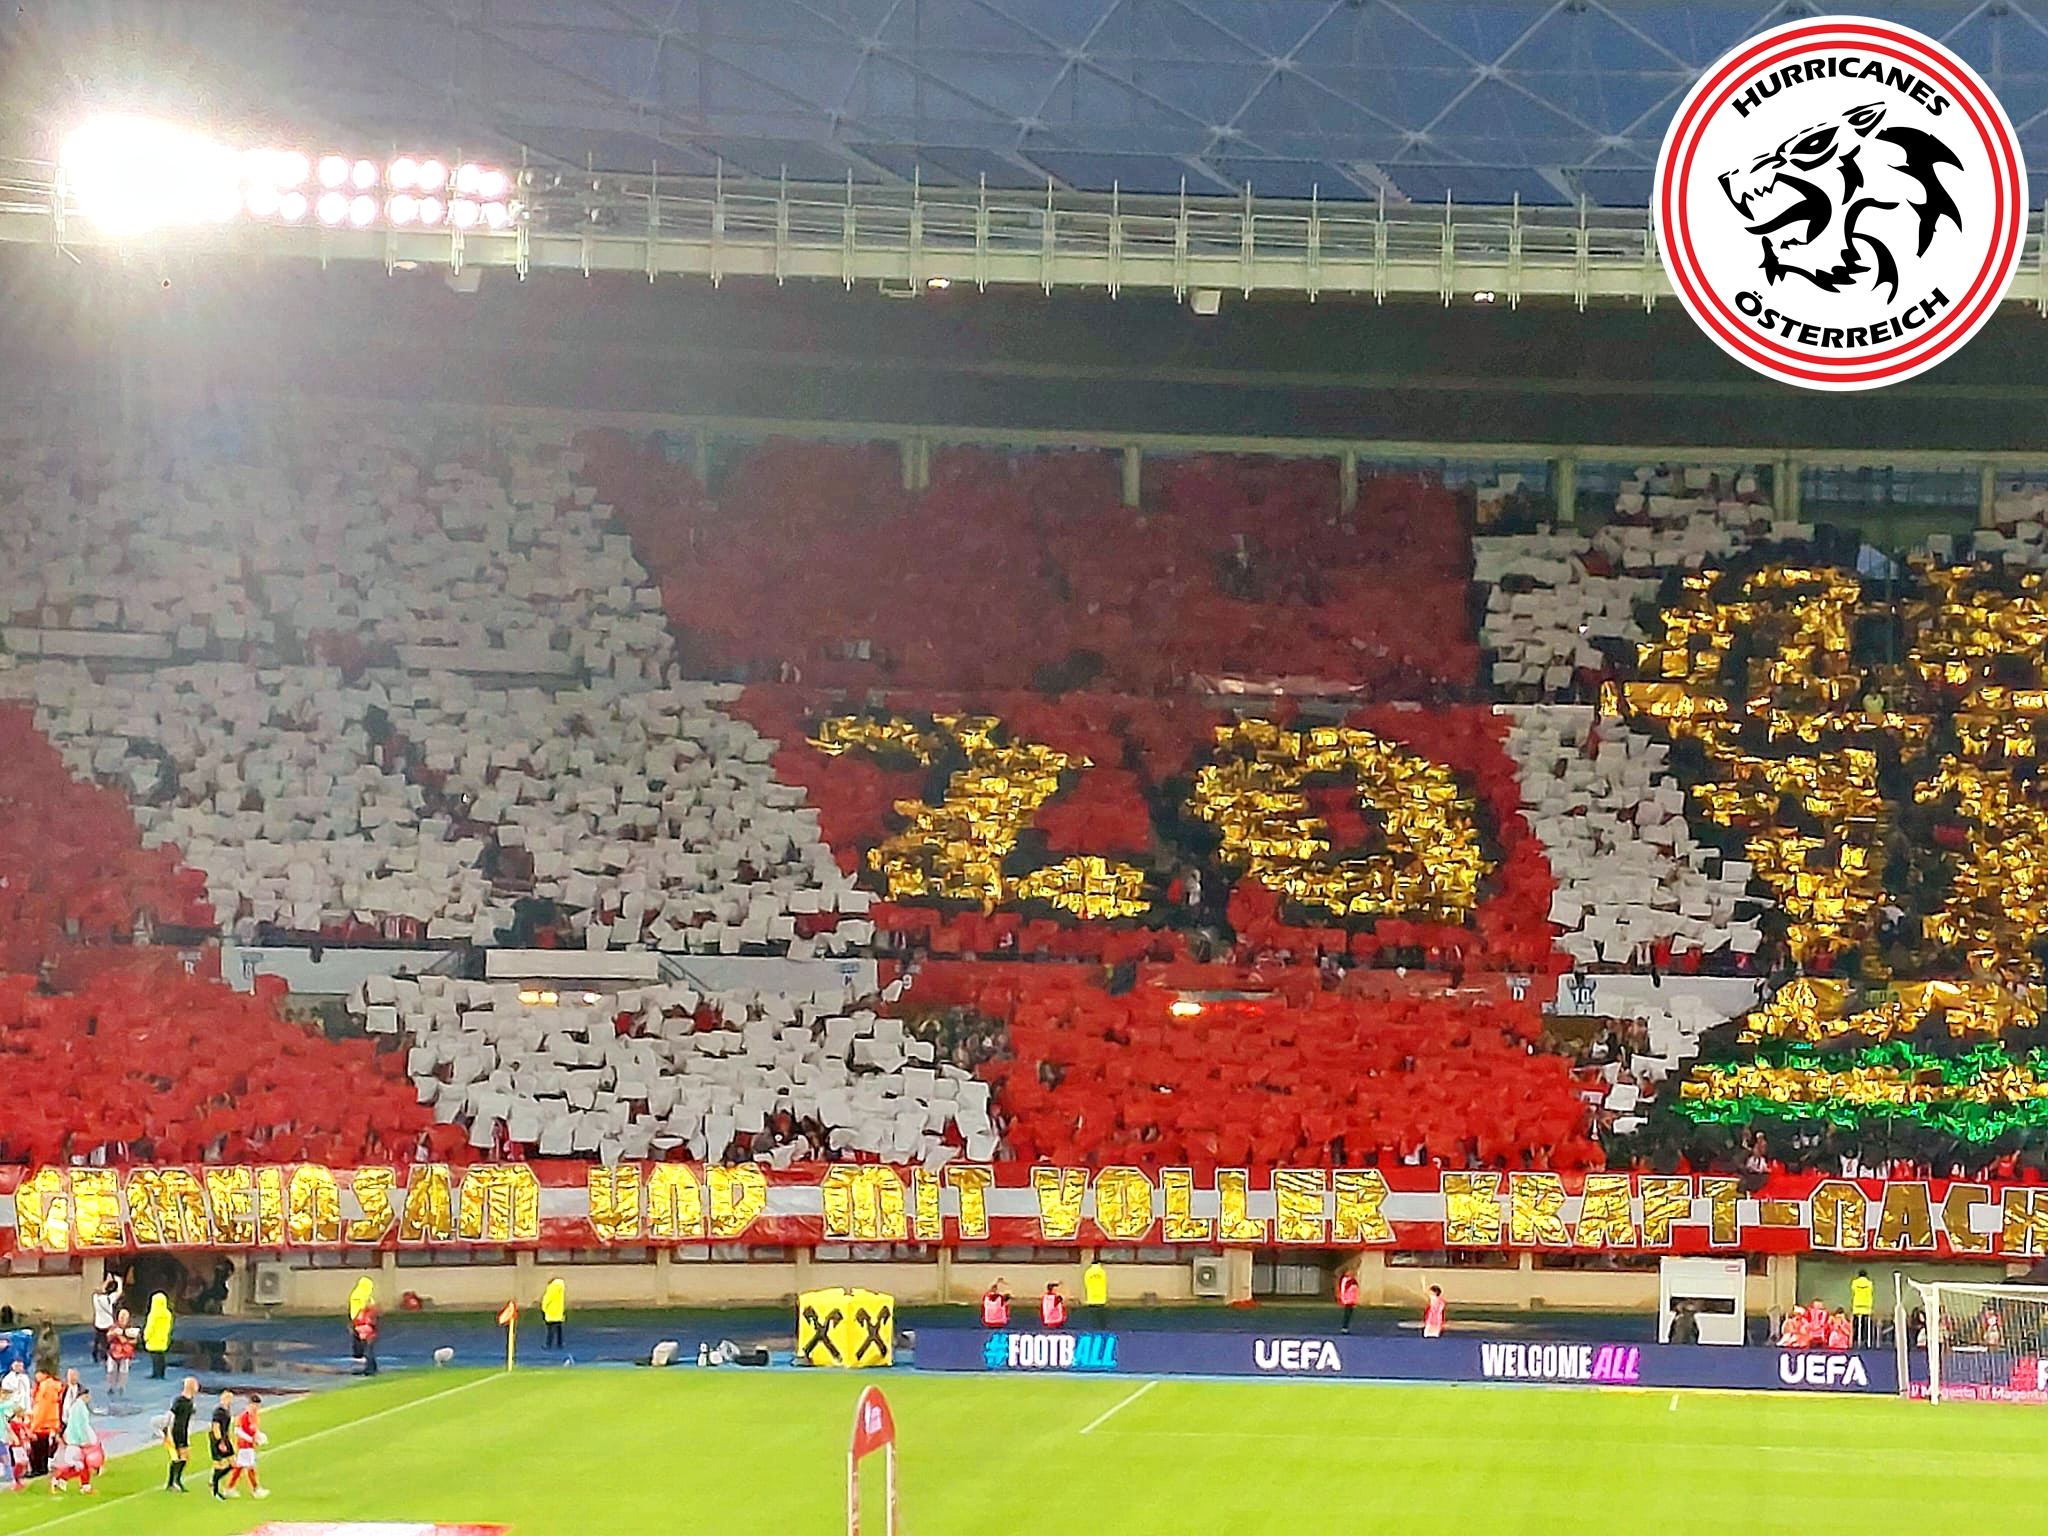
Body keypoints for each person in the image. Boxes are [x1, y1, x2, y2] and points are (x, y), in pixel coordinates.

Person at [48, 1385, 94, 1496]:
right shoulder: (81, 1408)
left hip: (72, 1439)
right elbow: (81, 1425)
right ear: (85, 1395)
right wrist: (84, 1440)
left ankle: (84, 1486)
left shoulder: (75, 1406)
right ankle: (60, 1479)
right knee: (80, 1465)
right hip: (75, 1441)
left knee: (82, 1464)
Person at [226, 1393, 268, 1501]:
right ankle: (256, 1490)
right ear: (251, 1404)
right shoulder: (244, 1416)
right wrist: (251, 1439)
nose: (257, 1408)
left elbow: (254, 1429)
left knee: (240, 1467)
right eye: (256, 1405)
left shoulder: (254, 1415)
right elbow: (237, 1430)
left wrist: (259, 1436)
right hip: (244, 1446)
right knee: (250, 1467)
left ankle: (230, 1488)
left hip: (249, 1445)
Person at [164, 1375, 197, 1493]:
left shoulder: (190, 1401)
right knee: (178, 1457)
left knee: (185, 1457)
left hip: (184, 1431)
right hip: (176, 1431)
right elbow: (170, 1416)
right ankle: (172, 1482)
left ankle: (175, 1481)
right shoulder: (179, 1400)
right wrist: (168, 1432)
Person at [27, 1369, 61, 1478]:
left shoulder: (45, 1388)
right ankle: (43, 1468)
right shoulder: (53, 1387)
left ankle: (38, 1469)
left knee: (37, 1449)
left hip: (42, 1424)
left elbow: (41, 1409)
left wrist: (33, 1427)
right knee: (44, 1447)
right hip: (49, 1422)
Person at [209, 1390, 236, 1500]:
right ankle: (215, 1490)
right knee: (219, 1464)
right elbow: (215, 1427)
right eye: (227, 1398)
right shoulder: (219, 1412)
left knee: (233, 1463)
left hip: (225, 1439)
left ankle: (213, 1480)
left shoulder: (227, 1410)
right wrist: (220, 1442)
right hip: (218, 1440)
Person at [104, 1310, 136, 1399]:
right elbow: (108, 1338)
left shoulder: (131, 1328)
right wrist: (113, 1334)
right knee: (111, 1371)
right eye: (121, 1317)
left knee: (123, 1371)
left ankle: (121, 1387)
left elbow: (134, 1340)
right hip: (113, 1353)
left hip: (126, 1354)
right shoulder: (113, 1327)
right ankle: (111, 1386)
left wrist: (124, 1338)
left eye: (124, 1318)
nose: (122, 1319)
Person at [89, 1277, 121, 1366]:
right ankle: (106, 1356)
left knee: (99, 1338)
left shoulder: (95, 1298)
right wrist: (119, 1282)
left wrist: (107, 1280)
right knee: (107, 1341)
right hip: (108, 1324)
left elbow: (100, 1289)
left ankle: (96, 1352)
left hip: (98, 1323)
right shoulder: (109, 1299)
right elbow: (119, 1292)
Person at [142, 1293, 174, 1380]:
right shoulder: (168, 1314)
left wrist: (146, 1336)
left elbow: (150, 1327)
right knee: (161, 1357)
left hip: (153, 1339)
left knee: (155, 1358)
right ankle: (161, 1373)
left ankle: (156, 1373)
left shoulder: (153, 1314)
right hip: (163, 1338)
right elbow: (169, 1326)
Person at [348, 1275, 375, 1363]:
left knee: (361, 1337)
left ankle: (360, 1354)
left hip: (360, 1318)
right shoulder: (359, 1295)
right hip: (360, 1318)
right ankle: (360, 1355)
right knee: (361, 1338)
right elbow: (365, 1306)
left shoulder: (359, 1295)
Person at [354, 1298, 380, 1377]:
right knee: (367, 1352)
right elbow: (357, 1321)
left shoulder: (372, 1312)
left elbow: (373, 1323)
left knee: (368, 1352)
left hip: (368, 1334)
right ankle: (372, 1368)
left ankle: (370, 1369)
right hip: (362, 1334)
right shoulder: (362, 1312)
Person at [1851, 1269, 1876, 1348]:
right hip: (1867, 1305)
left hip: (1857, 1305)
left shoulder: (1855, 1282)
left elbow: (1853, 1290)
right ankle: (1866, 1340)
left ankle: (1855, 1339)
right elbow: (1871, 1291)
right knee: (1866, 1324)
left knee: (1856, 1323)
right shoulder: (1869, 1283)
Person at [542, 1275, 567, 1351]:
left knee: (550, 1329)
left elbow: (547, 1298)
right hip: (558, 1312)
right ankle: (560, 1343)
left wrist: (544, 1308)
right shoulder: (561, 1289)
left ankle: (548, 1344)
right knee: (559, 1328)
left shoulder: (552, 1288)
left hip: (551, 1311)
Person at [1082, 1259, 1109, 1330]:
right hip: (1100, 1296)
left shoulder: (1088, 1272)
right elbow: (1104, 1282)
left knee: (1092, 1314)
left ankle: (1093, 1327)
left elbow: (1086, 1282)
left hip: (1091, 1296)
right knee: (1101, 1314)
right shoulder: (1101, 1271)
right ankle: (1102, 1327)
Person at [1, 1357, 28, 1422]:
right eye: (16, 1366)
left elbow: (27, 1393)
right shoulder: (7, 1378)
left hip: (22, 1405)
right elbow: (5, 1391)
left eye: (20, 1366)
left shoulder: (25, 1378)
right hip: (10, 1405)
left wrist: (27, 1408)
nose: (18, 1368)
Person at [1337, 1269, 1359, 1335]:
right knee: (1347, 1314)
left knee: (1349, 1313)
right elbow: (1343, 1289)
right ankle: (1344, 1328)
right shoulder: (1345, 1280)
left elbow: (1355, 1289)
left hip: (1351, 1299)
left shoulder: (1352, 1280)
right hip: (1347, 1299)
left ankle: (1346, 1327)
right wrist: (1342, 1298)